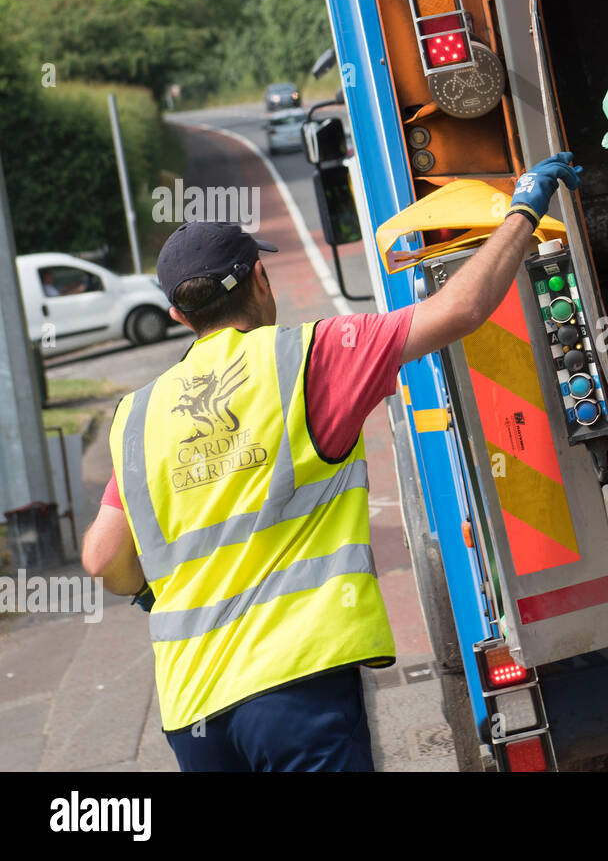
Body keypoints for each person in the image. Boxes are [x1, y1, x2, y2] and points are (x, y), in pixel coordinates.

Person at [81, 153, 582, 771]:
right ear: (261, 280)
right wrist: (524, 211)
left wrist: (151, 594)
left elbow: (102, 558)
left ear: (180, 316)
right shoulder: (314, 356)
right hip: (298, 688)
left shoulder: (137, 416)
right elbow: (460, 311)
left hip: (194, 711)